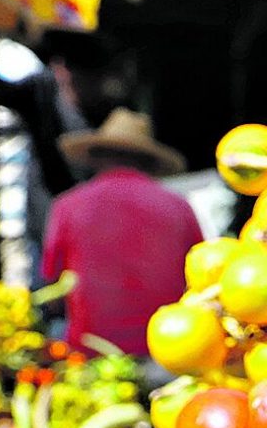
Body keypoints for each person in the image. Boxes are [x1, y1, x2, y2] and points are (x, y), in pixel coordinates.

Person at [40, 109, 204, 357]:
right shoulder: (178, 206)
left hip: (89, 353)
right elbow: (201, 280)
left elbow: (52, 290)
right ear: (148, 161)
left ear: (97, 156)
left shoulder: (67, 206)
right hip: (169, 353)